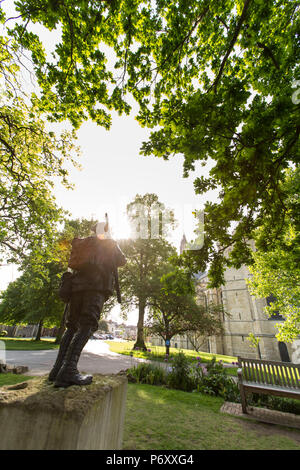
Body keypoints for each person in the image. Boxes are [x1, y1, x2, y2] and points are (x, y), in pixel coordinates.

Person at [49, 221, 126, 388]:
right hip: (95, 289)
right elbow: (122, 260)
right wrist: (113, 241)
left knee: (72, 327)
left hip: (76, 289)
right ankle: (68, 370)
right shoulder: (110, 243)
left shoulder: (83, 243)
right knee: (88, 325)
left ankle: (57, 370)